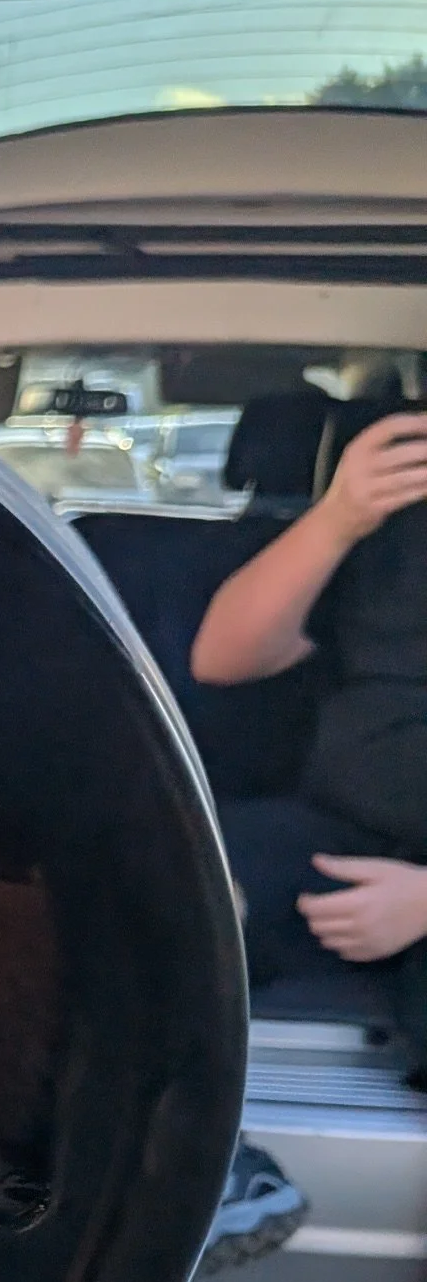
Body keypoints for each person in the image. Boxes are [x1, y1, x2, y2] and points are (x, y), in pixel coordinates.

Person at [192, 409, 427, 1028]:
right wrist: (338, 519)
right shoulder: (398, 510)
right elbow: (224, 658)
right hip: (342, 833)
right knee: (149, 896)